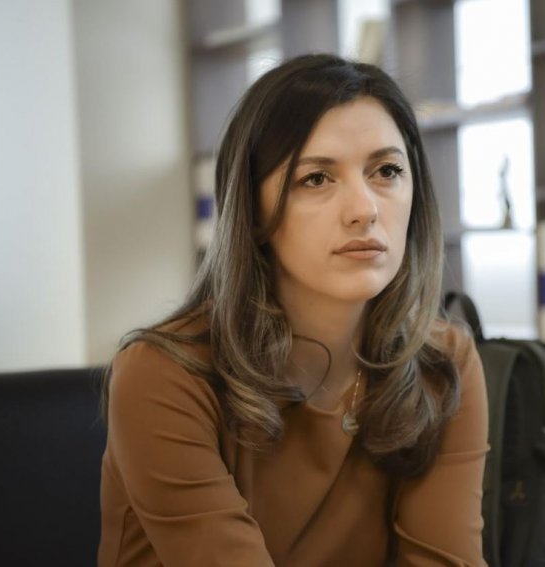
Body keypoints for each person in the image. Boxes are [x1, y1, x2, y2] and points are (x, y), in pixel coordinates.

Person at [97, 53, 489, 566]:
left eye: (387, 171)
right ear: (254, 211)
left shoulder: (443, 361)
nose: (365, 209)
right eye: (317, 179)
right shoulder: (163, 374)